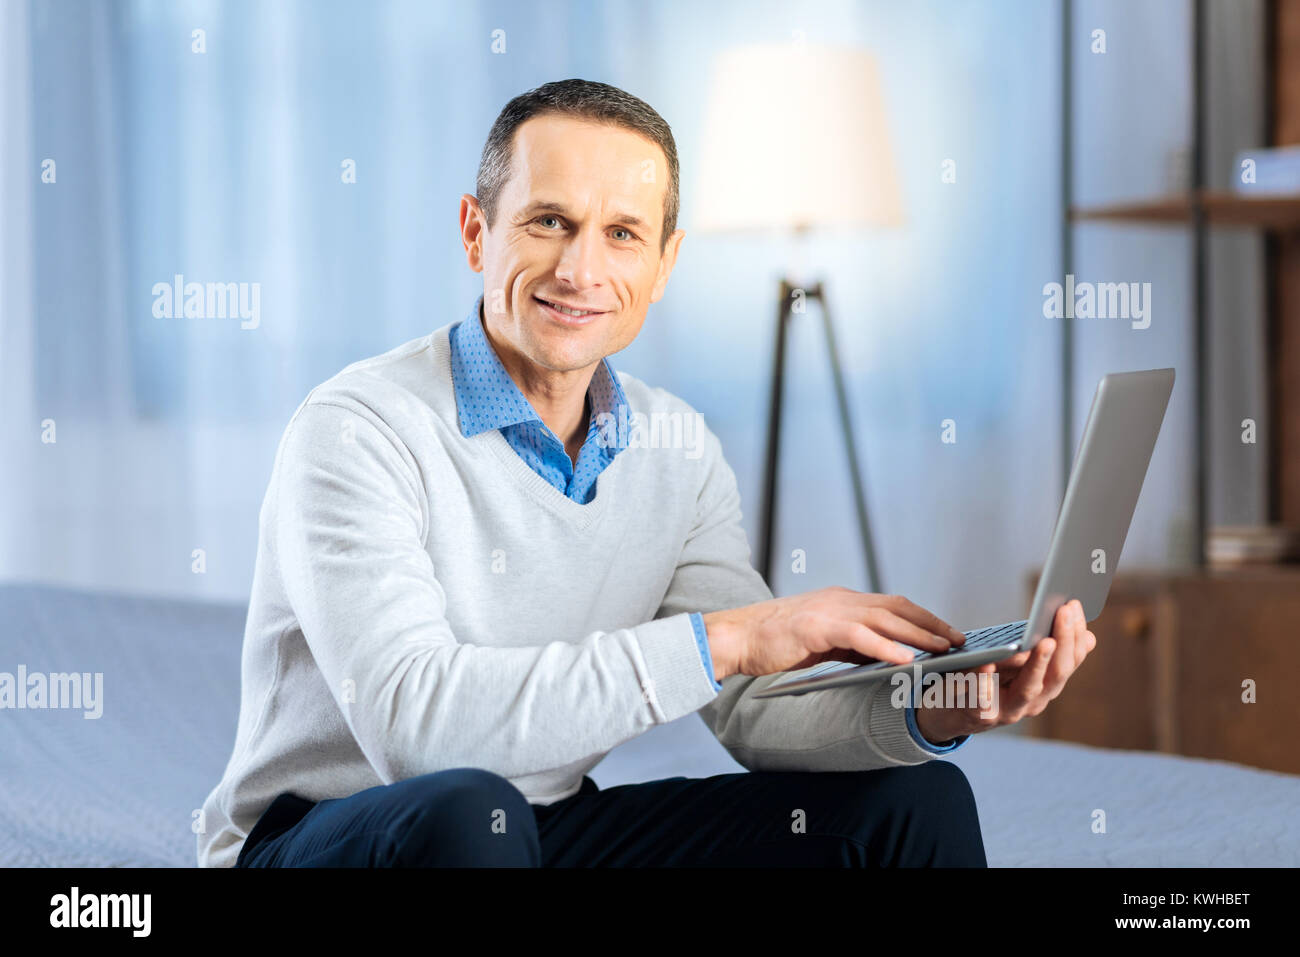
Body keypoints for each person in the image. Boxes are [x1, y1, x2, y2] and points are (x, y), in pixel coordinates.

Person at [197, 78, 1096, 868]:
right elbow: (416, 733)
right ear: (477, 232)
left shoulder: (676, 446)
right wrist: (731, 637)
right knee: (473, 810)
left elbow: (753, 711)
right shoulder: (357, 430)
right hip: (327, 836)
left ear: (664, 264)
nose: (581, 269)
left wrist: (936, 705)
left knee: (914, 802)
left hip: (542, 830)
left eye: (622, 233)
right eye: (550, 221)